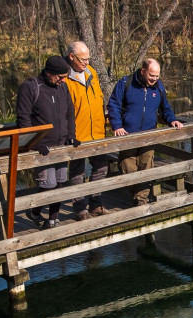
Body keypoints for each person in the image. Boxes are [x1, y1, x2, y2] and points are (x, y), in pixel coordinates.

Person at [107, 58, 184, 206]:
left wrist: (171, 120)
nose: (154, 79)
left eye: (157, 76)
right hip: (127, 135)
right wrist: (117, 126)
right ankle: (138, 197)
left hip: (148, 135)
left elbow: (165, 107)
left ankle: (141, 201)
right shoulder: (125, 83)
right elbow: (114, 105)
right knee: (128, 167)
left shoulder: (158, 87)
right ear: (143, 71)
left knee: (146, 167)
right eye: (151, 75)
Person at [16, 55, 76, 229]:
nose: (63, 81)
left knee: (60, 181)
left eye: (65, 77)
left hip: (62, 143)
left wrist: (71, 134)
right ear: (49, 73)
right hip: (43, 146)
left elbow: (69, 113)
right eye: (60, 77)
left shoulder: (63, 87)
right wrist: (33, 142)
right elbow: (24, 118)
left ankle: (52, 218)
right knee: (48, 184)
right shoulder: (30, 87)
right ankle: (35, 212)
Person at [64, 41, 111, 221]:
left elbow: (98, 99)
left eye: (88, 58)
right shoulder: (64, 77)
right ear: (71, 57)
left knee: (101, 167)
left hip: (96, 132)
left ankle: (96, 203)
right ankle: (80, 209)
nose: (86, 62)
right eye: (83, 59)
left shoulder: (92, 72)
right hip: (77, 134)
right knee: (77, 172)